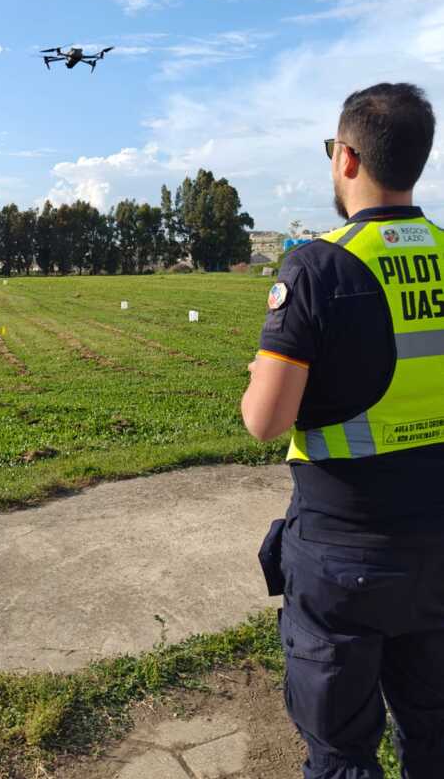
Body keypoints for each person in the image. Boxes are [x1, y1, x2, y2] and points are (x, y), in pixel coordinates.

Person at [241, 82, 444, 779]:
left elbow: (263, 422)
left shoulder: (317, 266)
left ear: (347, 158)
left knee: (341, 754)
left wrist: (258, 374)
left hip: (343, 556)